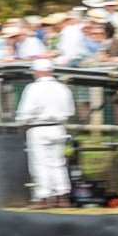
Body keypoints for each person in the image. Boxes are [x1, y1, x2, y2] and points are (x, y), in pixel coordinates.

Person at [15, 59, 75, 207]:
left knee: (40, 163)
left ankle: (43, 197)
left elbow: (26, 111)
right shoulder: (63, 88)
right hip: (58, 127)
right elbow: (70, 110)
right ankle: (62, 196)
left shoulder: (33, 88)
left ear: (38, 71)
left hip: (38, 127)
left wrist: (21, 122)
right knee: (58, 162)